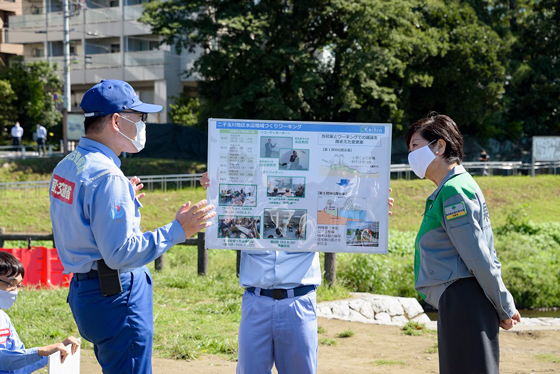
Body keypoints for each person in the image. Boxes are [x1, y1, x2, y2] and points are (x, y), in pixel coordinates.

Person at [49, 79, 215, 373]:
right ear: (116, 120)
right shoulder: (107, 177)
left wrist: (119, 197)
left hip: (86, 293)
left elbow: (80, 217)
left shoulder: (69, 163)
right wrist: (178, 229)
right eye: (139, 117)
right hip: (115, 296)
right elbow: (120, 254)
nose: (142, 124)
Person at [200, 172, 393, 374]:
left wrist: (374, 209)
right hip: (256, 300)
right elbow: (219, 226)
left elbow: (345, 218)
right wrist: (214, 189)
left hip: (298, 302)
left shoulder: (313, 194)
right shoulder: (248, 194)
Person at [405, 113, 521, 374]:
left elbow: (478, 256)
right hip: (459, 299)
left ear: (440, 146)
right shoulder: (451, 187)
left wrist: (504, 306)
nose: (410, 155)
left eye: (414, 146)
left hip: (464, 299)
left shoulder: (454, 190)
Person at [0, 252, 80, 374]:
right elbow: (3, 360)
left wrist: (57, 350)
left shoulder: (3, 318)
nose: (15, 291)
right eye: (11, 284)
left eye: (19, 286)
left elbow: (18, 366)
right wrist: (40, 351)